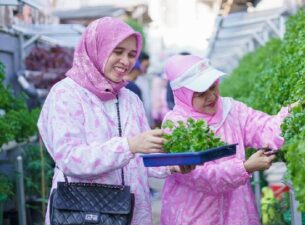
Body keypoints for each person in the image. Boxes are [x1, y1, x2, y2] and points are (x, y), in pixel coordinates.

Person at [37, 17, 192, 225]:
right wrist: (128, 146)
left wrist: (172, 164)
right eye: (117, 51)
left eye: (131, 54)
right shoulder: (67, 94)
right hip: (82, 213)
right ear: (97, 48)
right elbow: (70, 158)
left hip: (130, 214)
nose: (126, 62)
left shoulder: (130, 99)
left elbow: (141, 159)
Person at [160, 54, 297, 225]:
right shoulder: (176, 125)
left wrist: (290, 113)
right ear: (183, 95)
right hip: (194, 216)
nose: (211, 96)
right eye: (201, 93)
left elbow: (263, 127)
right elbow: (199, 176)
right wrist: (244, 168)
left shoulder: (231, 110)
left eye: (213, 87)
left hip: (236, 212)